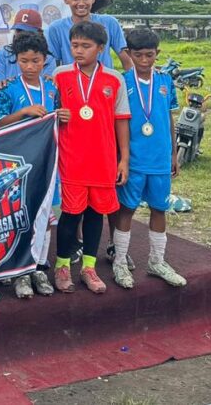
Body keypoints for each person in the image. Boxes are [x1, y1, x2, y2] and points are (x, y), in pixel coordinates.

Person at [52, 21, 130, 295]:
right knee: (71, 215)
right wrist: (57, 115)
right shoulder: (59, 76)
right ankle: (62, 266)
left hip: (103, 159)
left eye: (86, 46)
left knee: (96, 214)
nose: (79, 51)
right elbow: (49, 112)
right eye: (75, 45)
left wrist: (123, 160)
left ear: (100, 48)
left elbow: (121, 121)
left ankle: (88, 267)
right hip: (72, 158)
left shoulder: (114, 79)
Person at [110, 29, 186, 289]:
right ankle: (119, 261)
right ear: (129, 54)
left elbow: (169, 117)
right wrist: (120, 158)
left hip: (160, 160)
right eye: (139, 55)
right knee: (127, 209)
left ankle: (157, 261)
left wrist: (173, 153)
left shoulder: (165, 82)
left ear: (158, 54)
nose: (144, 60)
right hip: (134, 160)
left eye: (150, 55)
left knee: (159, 208)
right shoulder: (121, 82)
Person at [0, 32, 65, 298]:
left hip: (47, 162)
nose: (30, 66)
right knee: (20, 216)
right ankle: (20, 271)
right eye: (24, 61)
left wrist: (63, 117)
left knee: (44, 216)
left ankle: (39, 266)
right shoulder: (9, 89)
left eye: (36, 61)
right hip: (19, 164)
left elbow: (60, 121)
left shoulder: (53, 89)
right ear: (17, 61)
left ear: (45, 61)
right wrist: (23, 113)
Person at [46, 0, 132, 72]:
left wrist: (134, 82)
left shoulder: (110, 23)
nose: (81, 3)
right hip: (72, 85)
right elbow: (51, 63)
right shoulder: (56, 28)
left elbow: (125, 58)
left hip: (105, 85)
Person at [0, 9, 57, 80]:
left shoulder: (48, 58)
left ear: (40, 33)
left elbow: (47, 87)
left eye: (28, 32)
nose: (23, 36)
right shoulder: (2, 54)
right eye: (19, 31)